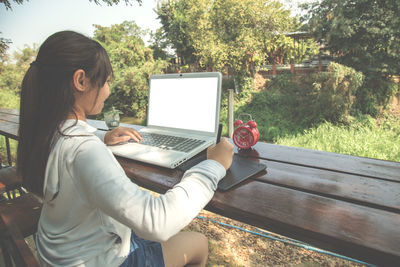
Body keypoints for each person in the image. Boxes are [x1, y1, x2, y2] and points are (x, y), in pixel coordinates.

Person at [17, 31, 234, 267]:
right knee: (199, 243)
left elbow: (73, 151)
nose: (108, 90)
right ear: (80, 80)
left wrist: (101, 136)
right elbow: (158, 221)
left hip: (59, 253)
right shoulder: (84, 150)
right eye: (107, 80)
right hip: (98, 260)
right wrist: (214, 165)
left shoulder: (47, 132)